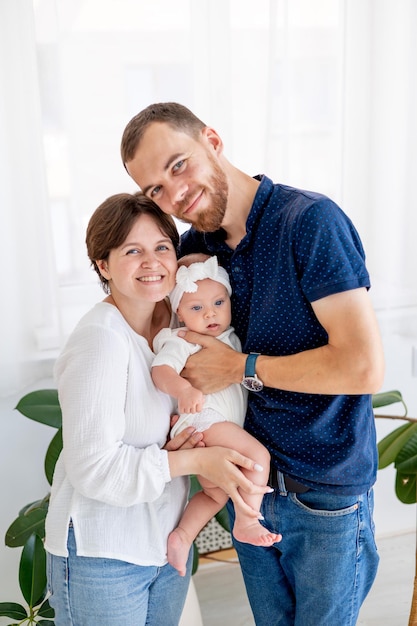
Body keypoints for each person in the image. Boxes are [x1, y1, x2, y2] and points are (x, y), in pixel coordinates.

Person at [120, 102, 385, 626]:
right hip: (247, 487)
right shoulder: (195, 251)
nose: (174, 195)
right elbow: (170, 350)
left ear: (211, 140)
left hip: (324, 496)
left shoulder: (310, 222)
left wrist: (242, 367)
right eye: (155, 189)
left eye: (178, 165)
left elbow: (363, 367)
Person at [44, 191, 268, 626]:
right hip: (103, 554)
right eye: (133, 251)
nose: (153, 262)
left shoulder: (176, 323)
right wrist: (194, 458)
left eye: (162, 247)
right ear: (103, 266)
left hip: (163, 542)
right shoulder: (100, 341)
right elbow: (93, 469)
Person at [152, 253, 280, 577]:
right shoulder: (183, 339)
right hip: (204, 420)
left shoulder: (230, 337)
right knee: (257, 457)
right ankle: (248, 518)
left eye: (219, 302)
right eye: (197, 308)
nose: (211, 313)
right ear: (179, 313)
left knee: (214, 493)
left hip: (219, 425)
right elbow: (160, 370)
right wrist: (183, 391)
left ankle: (182, 537)